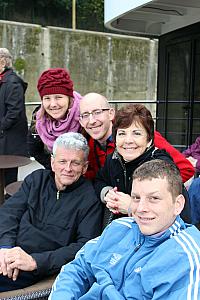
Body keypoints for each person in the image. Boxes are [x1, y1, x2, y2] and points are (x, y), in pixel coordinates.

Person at [49, 159, 200, 300]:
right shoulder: (120, 228)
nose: (141, 208)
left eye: (154, 198)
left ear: (178, 204)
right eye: (136, 198)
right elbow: (78, 268)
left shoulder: (185, 256)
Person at [0, 132, 102, 292]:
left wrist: (35, 261)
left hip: (35, 265)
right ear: (53, 163)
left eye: (75, 163)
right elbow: (9, 212)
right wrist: (5, 247)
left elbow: (84, 246)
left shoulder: (89, 198)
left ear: (84, 167)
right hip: (8, 251)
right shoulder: (36, 180)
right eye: (62, 161)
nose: (68, 169)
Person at [94, 104, 190, 223]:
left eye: (137, 133)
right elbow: (99, 180)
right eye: (122, 133)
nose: (128, 140)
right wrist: (107, 193)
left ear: (149, 140)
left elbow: (173, 215)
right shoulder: (113, 159)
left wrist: (131, 206)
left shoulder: (161, 166)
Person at [79, 92, 194, 182]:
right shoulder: (87, 145)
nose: (92, 121)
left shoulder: (141, 136)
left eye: (97, 112)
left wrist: (141, 196)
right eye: (85, 115)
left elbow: (186, 169)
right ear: (80, 121)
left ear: (111, 113)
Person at [27, 68, 82, 169]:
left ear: (69, 98)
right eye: (47, 98)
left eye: (58, 97)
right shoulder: (38, 116)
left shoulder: (84, 113)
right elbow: (34, 149)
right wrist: (56, 168)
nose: (53, 104)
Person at [0, 48, 28, 186]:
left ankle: (8, 204)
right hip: (4, 139)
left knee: (9, 179)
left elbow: (14, 112)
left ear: (3, 62)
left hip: (9, 142)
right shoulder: (5, 81)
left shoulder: (12, 82)